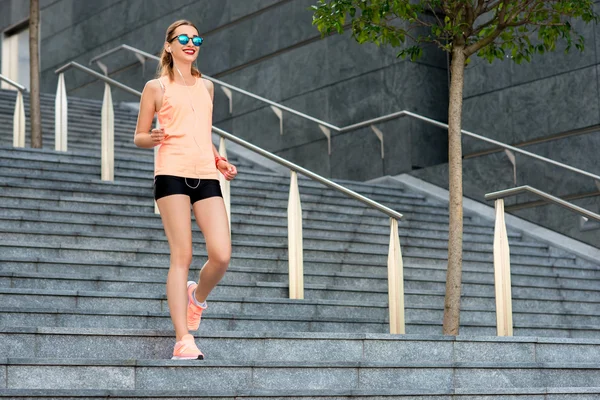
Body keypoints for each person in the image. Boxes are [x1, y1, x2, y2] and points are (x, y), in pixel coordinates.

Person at [134, 19, 237, 360]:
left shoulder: (206, 87)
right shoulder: (156, 88)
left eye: (196, 38)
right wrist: (153, 138)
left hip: (206, 174)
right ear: (169, 46)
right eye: (184, 38)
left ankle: (197, 299)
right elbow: (139, 136)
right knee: (183, 255)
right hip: (171, 174)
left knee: (221, 254)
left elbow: (201, 133)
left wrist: (219, 160)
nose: (191, 43)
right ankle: (183, 338)